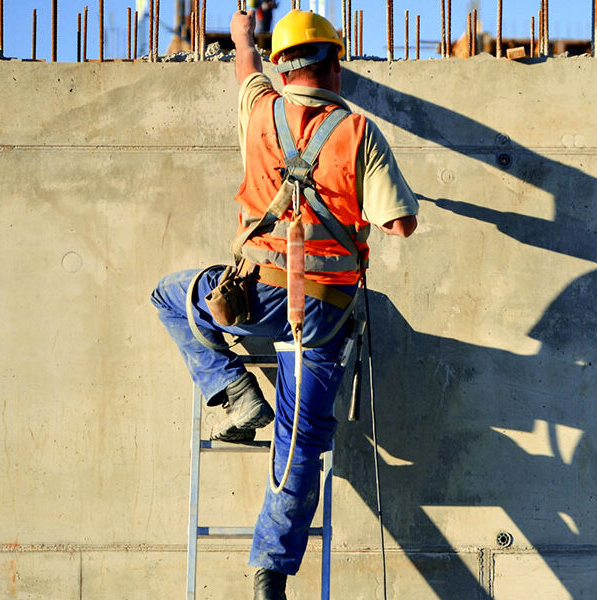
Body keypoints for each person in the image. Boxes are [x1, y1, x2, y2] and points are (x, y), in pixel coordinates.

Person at [150, 8, 418, 599]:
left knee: (172, 297)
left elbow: (245, 67)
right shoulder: (357, 133)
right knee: (300, 442)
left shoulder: (259, 110)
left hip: (254, 297)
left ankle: (235, 393)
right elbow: (399, 223)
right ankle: (270, 571)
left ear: (280, 65)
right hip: (322, 313)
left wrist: (245, 36)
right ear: (335, 64)